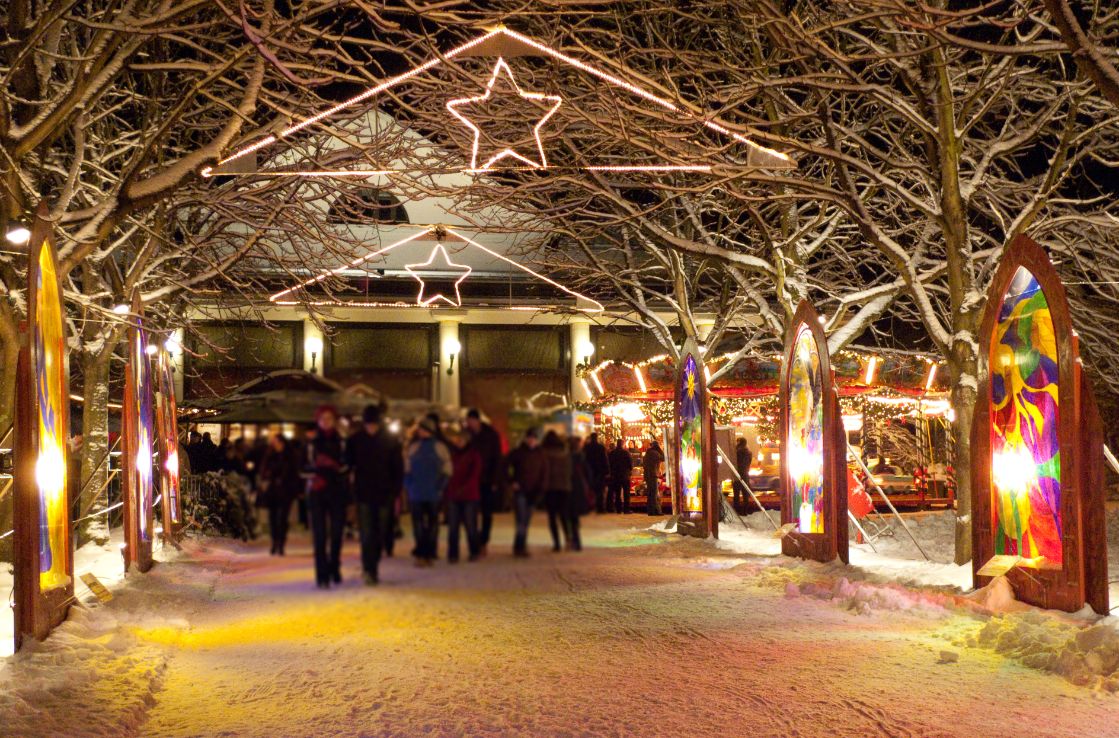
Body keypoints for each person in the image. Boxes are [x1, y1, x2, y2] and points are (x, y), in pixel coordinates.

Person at [346, 405, 403, 585]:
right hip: (364, 492)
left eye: (373, 424)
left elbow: (398, 468)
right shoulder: (355, 440)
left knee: (380, 531)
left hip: (384, 492)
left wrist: (395, 491)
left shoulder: (391, 441)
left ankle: (373, 562)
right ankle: (369, 569)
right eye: (368, 424)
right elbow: (348, 464)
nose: (371, 427)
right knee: (366, 533)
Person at [306, 405, 349, 588]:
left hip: (338, 492)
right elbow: (303, 468)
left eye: (330, 418)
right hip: (318, 493)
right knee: (320, 535)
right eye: (323, 418)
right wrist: (317, 472)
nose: (326, 422)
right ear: (318, 420)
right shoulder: (311, 443)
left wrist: (334, 467)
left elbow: (347, 466)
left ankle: (335, 567)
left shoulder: (342, 442)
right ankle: (322, 574)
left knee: (337, 533)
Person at [404, 417, 451, 567]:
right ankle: (424, 551)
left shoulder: (437, 447)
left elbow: (447, 470)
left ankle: (427, 551)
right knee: (423, 524)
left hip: (428, 492)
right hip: (421, 491)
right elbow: (407, 468)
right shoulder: (417, 447)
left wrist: (440, 486)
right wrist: (409, 484)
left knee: (430, 523)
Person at [502, 428, 548, 557]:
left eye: (534, 438)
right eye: (530, 438)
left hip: (534, 492)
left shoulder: (540, 454)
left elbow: (544, 472)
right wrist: (512, 482)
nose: (532, 441)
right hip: (521, 490)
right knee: (521, 520)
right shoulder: (518, 453)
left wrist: (542, 488)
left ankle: (520, 545)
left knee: (526, 521)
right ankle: (519, 547)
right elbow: (504, 465)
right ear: (526, 438)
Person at [464, 408, 503, 555]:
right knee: (471, 513)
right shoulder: (467, 434)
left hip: (486, 479)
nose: (469, 424)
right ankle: (474, 543)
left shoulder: (491, 435)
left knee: (486, 513)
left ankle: (483, 541)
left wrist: (495, 480)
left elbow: (497, 459)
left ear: (477, 420)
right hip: (471, 480)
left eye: (471, 421)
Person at [258, 434, 300, 556]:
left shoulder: (290, 456)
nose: (275, 444)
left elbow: (294, 473)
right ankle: (274, 542)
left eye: (277, 442)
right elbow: (264, 471)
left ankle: (281, 543)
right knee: (272, 518)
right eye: (274, 442)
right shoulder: (270, 455)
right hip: (272, 491)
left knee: (282, 518)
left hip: (286, 491)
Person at [445, 430, 482, 563]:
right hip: (453, 494)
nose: (458, 442)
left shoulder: (473, 455)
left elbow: (474, 475)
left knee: (470, 525)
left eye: (461, 440)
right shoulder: (452, 455)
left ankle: (474, 551)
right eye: (457, 439)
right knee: (453, 526)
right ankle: (453, 553)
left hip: (469, 495)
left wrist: (463, 488)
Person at [541, 431, 573, 552]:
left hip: (550, 488)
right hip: (564, 487)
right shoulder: (565, 454)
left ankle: (557, 544)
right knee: (564, 515)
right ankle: (568, 539)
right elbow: (570, 471)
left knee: (552, 517)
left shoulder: (544, 454)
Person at [566, 436, 589, 551]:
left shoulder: (566, 458)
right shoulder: (581, 458)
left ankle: (572, 539)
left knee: (569, 516)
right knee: (574, 516)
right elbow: (588, 473)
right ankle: (576, 540)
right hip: (578, 489)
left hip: (567, 488)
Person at [584, 432, 609, 514]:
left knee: (589, 489)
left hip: (589, 470)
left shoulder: (586, 447)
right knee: (600, 490)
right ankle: (600, 507)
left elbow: (584, 459)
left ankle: (588, 507)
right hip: (599, 470)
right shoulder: (600, 447)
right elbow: (604, 459)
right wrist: (606, 471)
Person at [607, 439, 634, 513]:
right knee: (626, 493)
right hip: (625, 475)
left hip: (615, 475)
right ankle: (626, 509)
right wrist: (630, 470)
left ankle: (618, 509)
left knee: (617, 492)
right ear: (622, 444)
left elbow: (609, 464)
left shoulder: (612, 453)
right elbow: (630, 464)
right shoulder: (626, 453)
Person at [642, 440, 665, 516]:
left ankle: (651, 511)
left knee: (650, 493)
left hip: (647, 475)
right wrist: (660, 449)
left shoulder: (647, 453)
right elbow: (663, 458)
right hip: (653, 475)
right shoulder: (655, 453)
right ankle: (656, 511)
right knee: (654, 494)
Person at [733, 438, 753, 511]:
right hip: (745, 474)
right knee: (745, 494)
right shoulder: (749, 452)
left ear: (739, 443)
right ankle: (745, 510)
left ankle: (737, 509)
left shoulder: (737, 452)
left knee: (736, 493)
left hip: (737, 474)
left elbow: (735, 461)